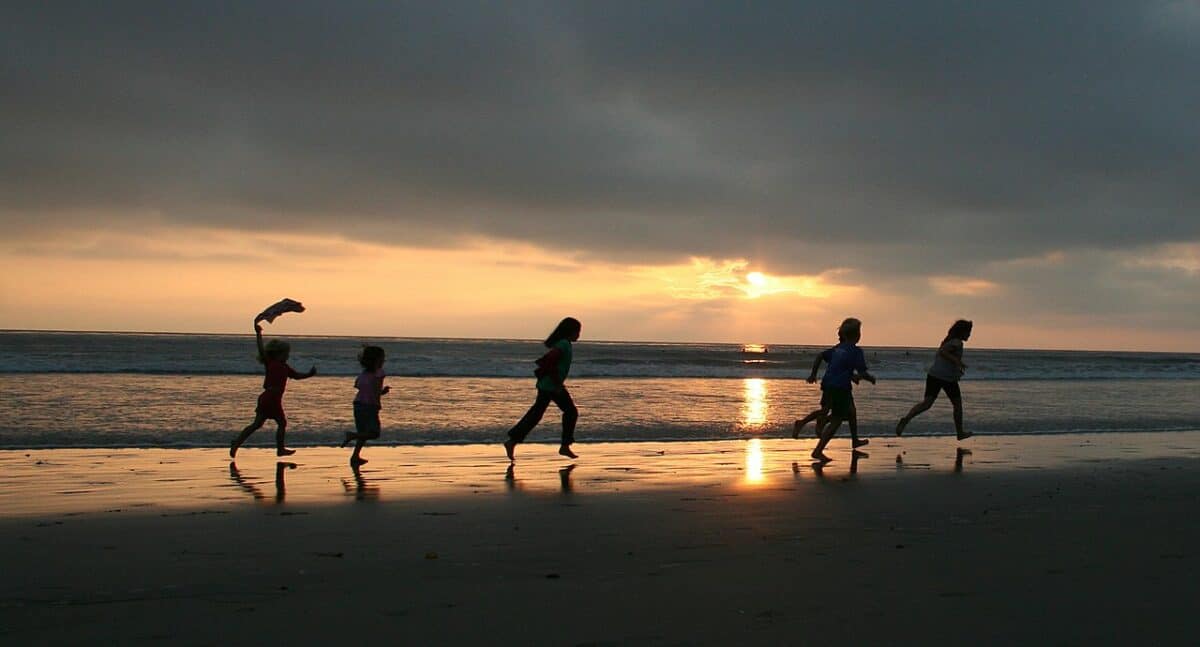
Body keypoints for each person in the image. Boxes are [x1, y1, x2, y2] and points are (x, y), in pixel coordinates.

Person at [229, 322, 316, 457]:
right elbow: (261, 349)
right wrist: (258, 334)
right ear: (277, 354)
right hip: (270, 399)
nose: (287, 356)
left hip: (269, 398)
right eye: (285, 354)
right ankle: (279, 449)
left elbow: (297, 376)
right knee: (281, 423)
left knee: (257, 424)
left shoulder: (284, 367)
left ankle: (237, 443)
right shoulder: (271, 362)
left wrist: (309, 374)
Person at [504, 317, 582, 462]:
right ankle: (565, 446)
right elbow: (549, 360)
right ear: (570, 331)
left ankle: (512, 441)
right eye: (578, 331)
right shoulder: (564, 344)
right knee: (571, 412)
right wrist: (557, 383)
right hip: (551, 386)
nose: (579, 335)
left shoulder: (564, 344)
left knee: (536, 414)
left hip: (548, 385)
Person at [810, 318, 876, 463]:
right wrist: (870, 378)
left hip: (830, 385)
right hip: (840, 388)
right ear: (857, 335)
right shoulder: (856, 351)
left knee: (851, 412)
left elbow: (828, 360)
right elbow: (863, 372)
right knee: (836, 420)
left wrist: (813, 374)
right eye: (859, 332)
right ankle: (818, 450)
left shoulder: (838, 349)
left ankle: (854, 440)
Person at [895, 319, 974, 440]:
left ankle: (906, 419)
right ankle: (960, 433)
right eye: (968, 332)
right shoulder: (957, 343)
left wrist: (957, 368)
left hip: (934, 375)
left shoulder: (948, 341)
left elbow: (943, 355)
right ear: (961, 332)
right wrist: (957, 361)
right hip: (947, 379)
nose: (969, 335)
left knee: (926, 404)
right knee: (957, 405)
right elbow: (943, 353)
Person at [341, 345, 389, 465]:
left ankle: (355, 456)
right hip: (370, 406)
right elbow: (376, 391)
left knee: (363, 432)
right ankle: (352, 436)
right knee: (374, 433)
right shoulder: (379, 373)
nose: (384, 361)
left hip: (358, 404)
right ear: (377, 360)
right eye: (382, 359)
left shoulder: (363, 374)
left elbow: (358, 386)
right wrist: (383, 392)